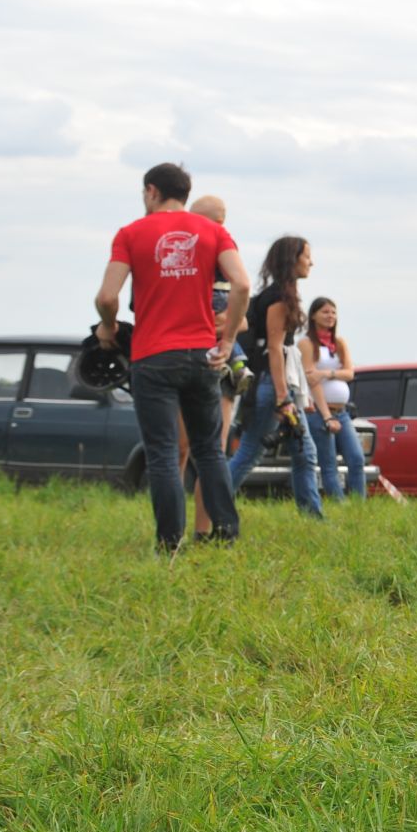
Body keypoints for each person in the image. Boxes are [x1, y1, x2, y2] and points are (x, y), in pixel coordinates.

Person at [94, 163, 249, 550]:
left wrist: (108, 327)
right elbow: (242, 284)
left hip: (153, 356)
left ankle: (168, 544)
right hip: (202, 355)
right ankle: (226, 535)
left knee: (163, 454)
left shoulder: (130, 233)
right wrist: (227, 340)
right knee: (209, 450)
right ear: (184, 192)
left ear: (151, 191)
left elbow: (107, 297)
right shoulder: (214, 231)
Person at [228, 236, 325, 517]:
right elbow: (274, 349)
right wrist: (283, 398)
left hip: (280, 385)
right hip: (274, 386)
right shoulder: (279, 298)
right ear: (292, 259)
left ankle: (313, 517)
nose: (311, 262)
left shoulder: (284, 294)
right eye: (307, 256)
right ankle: (212, 503)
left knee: (304, 453)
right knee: (249, 453)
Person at [173, 193, 242, 538]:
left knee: (211, 449)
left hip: (216, 364)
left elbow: (239, 320)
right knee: (181, 448)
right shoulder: (179, 258)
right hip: (185, 357)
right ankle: (174, 530)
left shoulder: (225, 256)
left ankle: (202, 531)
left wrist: (221, 327)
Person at [300, 297, 367, 500]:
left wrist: (327, 373)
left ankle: (358, 504)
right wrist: (327, 416)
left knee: (356, 458)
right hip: (320, 412)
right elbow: (312, 380)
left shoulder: (338, 343)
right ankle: (340, 505)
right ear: (313, 315)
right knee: (329, 464)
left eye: (333, 312)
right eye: (325, 312)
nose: (330, 316)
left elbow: (349, 373)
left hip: (342, 412)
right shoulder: (306, 343)